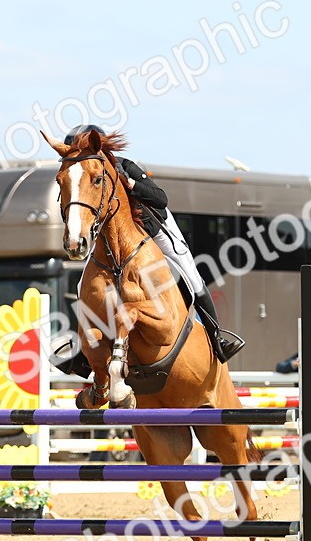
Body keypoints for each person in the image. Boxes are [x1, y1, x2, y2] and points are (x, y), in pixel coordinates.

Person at [64, 124, 244, 363]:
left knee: (191, 275)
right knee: (81, 286)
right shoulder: (86, 175)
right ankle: (84, 353)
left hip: (154, 229)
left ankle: (216, 337)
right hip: (111, 240)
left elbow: (160, 199)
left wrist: (132, 185)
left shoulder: (125, 166)